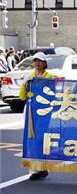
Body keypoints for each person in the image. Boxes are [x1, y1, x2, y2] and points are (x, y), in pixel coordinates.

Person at [19, 52, 55, 180]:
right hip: (30, 111)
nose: (37, 63)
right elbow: (22, 96)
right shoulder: (29, 76)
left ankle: (43, 167)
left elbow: (52, 96)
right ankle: (34, 170)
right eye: (35, 61)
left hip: (43, 112)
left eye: (40, 61)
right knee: (30, 138)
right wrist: (24, 84)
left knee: (41, 138)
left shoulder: (49, 76)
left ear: (45, 63)